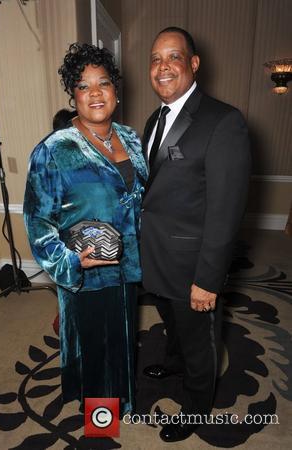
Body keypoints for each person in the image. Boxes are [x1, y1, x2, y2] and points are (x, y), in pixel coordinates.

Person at [23, 43, 148, 416]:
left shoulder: (131, 139)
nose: (95, 93)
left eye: (104, 83)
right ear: (73, 95)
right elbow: (37, 221)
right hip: (87, 271)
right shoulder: (54, 150)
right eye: (83, 85)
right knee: (95, 349)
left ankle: (120, 404)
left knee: (122, 341)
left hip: (127, 267)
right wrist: (71, 264)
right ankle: (101, 425)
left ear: (115, 90)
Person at [140, 27, 251, 442]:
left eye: (173, 57)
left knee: (200, 341)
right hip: (158, 257)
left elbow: (226, 211)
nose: (162, 66)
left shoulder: (223, 121)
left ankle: (196, 407)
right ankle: (173, 360)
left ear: (193, 63)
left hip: (193, 266)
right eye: (154, 59)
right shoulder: (155, 119)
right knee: (172, 324)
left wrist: (208, 279)